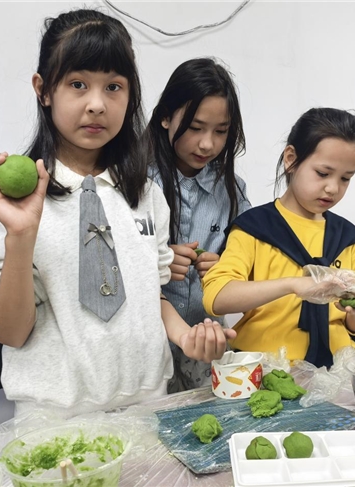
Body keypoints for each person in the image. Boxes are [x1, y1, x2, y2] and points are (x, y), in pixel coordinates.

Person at [0, 9, 234, 418]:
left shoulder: (147, 195)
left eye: (113, 87)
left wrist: (185, 337)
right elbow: (11, 332)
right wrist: (20, 236)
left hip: (148, 406)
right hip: (55, 420)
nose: (97, 104)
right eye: (78, 84)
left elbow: (149, 294)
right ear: (43, 89)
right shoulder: (10, 204)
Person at [202, 108, 355, 368]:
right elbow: (217, 297)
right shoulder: (255, 228)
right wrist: (292, 285)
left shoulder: (348, 239)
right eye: (323, 173)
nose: (333, 188)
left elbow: (353, 325)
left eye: (345, 178)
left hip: (335, 373)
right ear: (291, 159)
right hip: (266, 371)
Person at [144, 58, 250, 392]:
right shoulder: (136, 183)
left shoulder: (232, 190)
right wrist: (156, 261)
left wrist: (226, 269)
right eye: (195, 127)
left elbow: (250, 264)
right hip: (146, 349)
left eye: (221, 131)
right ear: (165, 117)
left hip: (208, 346)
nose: (208, 144)